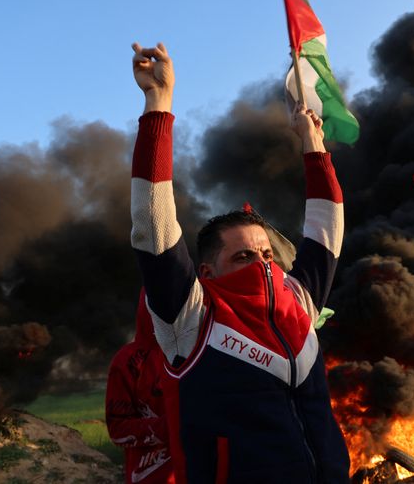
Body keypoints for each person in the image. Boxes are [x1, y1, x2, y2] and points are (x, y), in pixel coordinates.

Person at [129, 41, 350, 483]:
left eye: (267, 253)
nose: (263, 264)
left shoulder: (299, 303)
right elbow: (153, 223)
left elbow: (327, 225)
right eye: (244, 255)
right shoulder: (190, 318)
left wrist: (313, 142)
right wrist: (159, 103)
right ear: (206, 271)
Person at [106, 292, 175, 484]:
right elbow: (118, 429)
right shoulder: (128, 361)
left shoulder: (203, 349)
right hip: (151, 475)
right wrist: (170, 426)